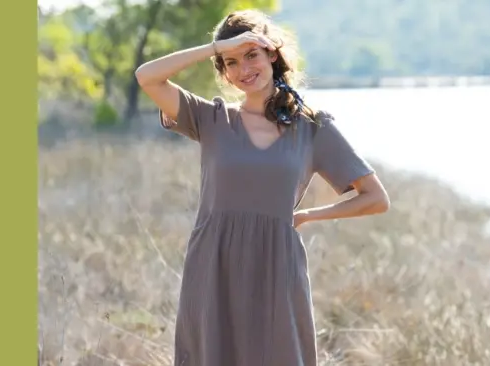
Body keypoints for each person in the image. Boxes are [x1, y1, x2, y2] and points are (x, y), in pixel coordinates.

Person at [134, 9, 391, 366]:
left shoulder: (312, 129)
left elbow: (375, 198)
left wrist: (307, 216)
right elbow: (147, 77)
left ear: (272, 53)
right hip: (213, 269)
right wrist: (217, 46)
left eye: (251, 55)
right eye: (231, 62)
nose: (243, 70)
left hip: (276, 268)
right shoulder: (210, 119)